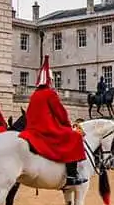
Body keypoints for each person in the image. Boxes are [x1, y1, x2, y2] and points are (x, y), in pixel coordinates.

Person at [18, 55, 87, 187]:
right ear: (49, 80)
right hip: (46, 128)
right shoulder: (50, 93)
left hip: (31, 129)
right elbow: (60, 113)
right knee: (75, 137)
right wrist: (68, 126)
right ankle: (72, 175)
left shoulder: (35, 94)